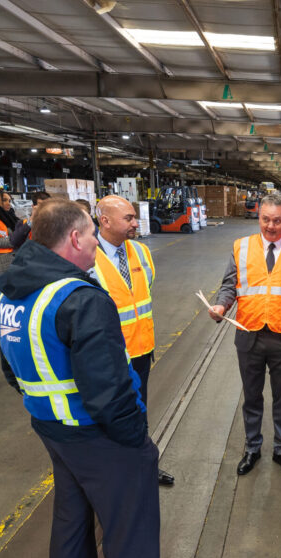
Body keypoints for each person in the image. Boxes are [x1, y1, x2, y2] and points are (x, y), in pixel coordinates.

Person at [0, 199, 207, 558]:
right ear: (74, 237)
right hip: (98, 437)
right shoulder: (81, 299)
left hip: (52, 429)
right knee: (131, 533)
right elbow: (109, 391)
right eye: (91, 233)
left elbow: (11, 368)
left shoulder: (12, 293)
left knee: (72, 524)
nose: (96, 242)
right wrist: (137, 443)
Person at [208, 194, 281, 478]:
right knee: (252, 397)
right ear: (259, 217)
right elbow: (229, 285)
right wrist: (221, 305)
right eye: (266, 219)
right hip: (249, 335)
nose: (271, 226)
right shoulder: (241, 247)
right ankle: (252, 447)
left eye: (277, 220)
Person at [90, 196, 175, 487]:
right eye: (128, 218)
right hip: (107, 357)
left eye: (134, 217)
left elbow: (144, 292)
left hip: (141, 349)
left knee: (139, 410)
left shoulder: (140, 251)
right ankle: (115, 474)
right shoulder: (88, 257)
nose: (135, 223)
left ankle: (143, 467)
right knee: (110, 417)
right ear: (105, 221)